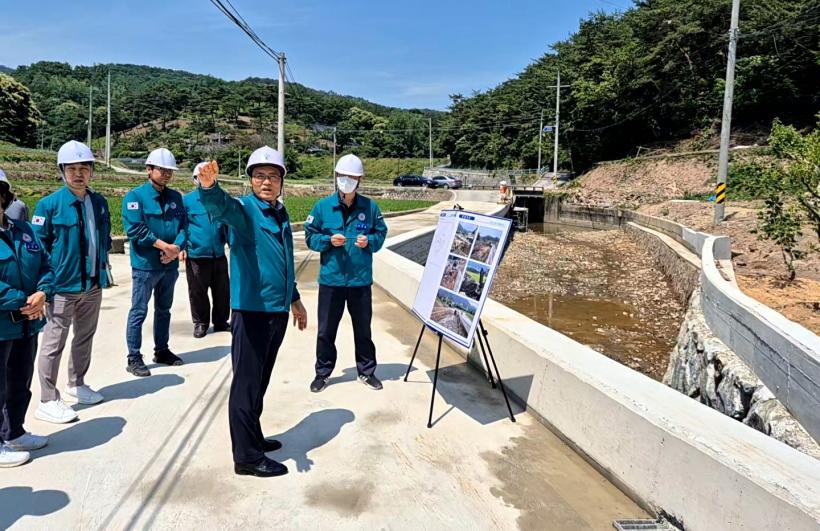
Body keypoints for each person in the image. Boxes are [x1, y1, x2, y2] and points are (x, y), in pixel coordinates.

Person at [197, 146, 307, 478]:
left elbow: (283, 261)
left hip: (277, 310)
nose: (267, 182)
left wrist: (295, 299)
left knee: (260, 380)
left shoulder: (279, 212)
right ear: (250, 180)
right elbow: (221, 206)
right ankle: (246, 457)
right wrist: (209, 187)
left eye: (273, 176)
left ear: (282, 181)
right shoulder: (244, 211)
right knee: (246, 384)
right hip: (252, 311)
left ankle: (253, 436)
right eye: (260, 176)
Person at [32, 141, 112, 423]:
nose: (79, 174)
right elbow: (37, 250)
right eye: (72, 168)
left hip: (92, 285)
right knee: (53, 343)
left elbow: (103, 240)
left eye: (84, 168)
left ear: (91, 171)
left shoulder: (99, 203)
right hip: (61, 287)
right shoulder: (48, 205)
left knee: (84, 337)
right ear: (62, 171)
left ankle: (76, 383)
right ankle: (48, 399)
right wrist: (43, 287)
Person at [304, 154, 388, 393]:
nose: (346, 181)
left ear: (359, 179)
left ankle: (366, 371)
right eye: (342, 176)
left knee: (363, 330)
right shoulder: (322, 207)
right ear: (336, 176)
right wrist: (327, 241)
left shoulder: (370, 207)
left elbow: (381, 233)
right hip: (331, 280)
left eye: (351, 177)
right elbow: (310, 236)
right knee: (326, 331)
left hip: (359, 280)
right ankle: (322, 373)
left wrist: (369, 241)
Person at [0, 173, 54, 467]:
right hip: (4, 323)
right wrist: (24, 300)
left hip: (27, 324)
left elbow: (45, 264)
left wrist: (43, 292)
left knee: (19, 382)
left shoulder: (23, 230)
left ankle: (14, 432)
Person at [121, 148, 187, 377]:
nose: (166, 174)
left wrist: (176, 248)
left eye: (170, 170)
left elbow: (184, 227)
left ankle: (162, 350)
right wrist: (165, 247)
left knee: (164, 310)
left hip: (169, 265)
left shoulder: (176, 198)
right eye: (162, 169)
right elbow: (135, 229)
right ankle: (134, 357)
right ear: (149, 170)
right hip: (146, 266)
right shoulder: (135, 197)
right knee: (139, 310)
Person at [180, 163, 230, 338]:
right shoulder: (187, 201)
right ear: (195, 179)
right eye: (200, 176)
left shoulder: (221, 198)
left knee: (222, 291)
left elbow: (228, 224)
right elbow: (181, 226)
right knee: (197, 291)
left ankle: (221, 321)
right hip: (196, 254)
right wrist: (182, 247)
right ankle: (201, 322)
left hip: (218, 253)